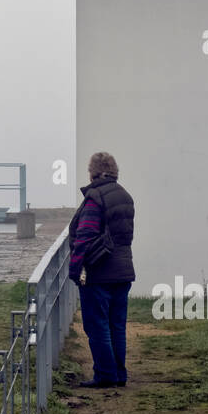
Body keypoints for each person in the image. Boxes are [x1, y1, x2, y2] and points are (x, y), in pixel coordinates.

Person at [68, 152, 135, 389]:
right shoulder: (125, 196)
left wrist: (75, 270)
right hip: (123, 271)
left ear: (93, 172)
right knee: (117, 325)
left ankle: (105, 375)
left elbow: (84, 237)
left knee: (97, 326)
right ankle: (118, 374)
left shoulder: (95, 198)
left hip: (99, 274)